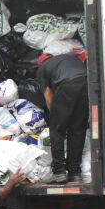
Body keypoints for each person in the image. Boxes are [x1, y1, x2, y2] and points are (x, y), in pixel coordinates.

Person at [36, 50, 89, 183]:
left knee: (57, 129)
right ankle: (74, 173)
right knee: (77, 130)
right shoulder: (66, 59)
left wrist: (57, 117)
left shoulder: (42, 69)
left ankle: (59, 172)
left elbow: (48, 97)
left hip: (66, 85)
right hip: (86, 83)